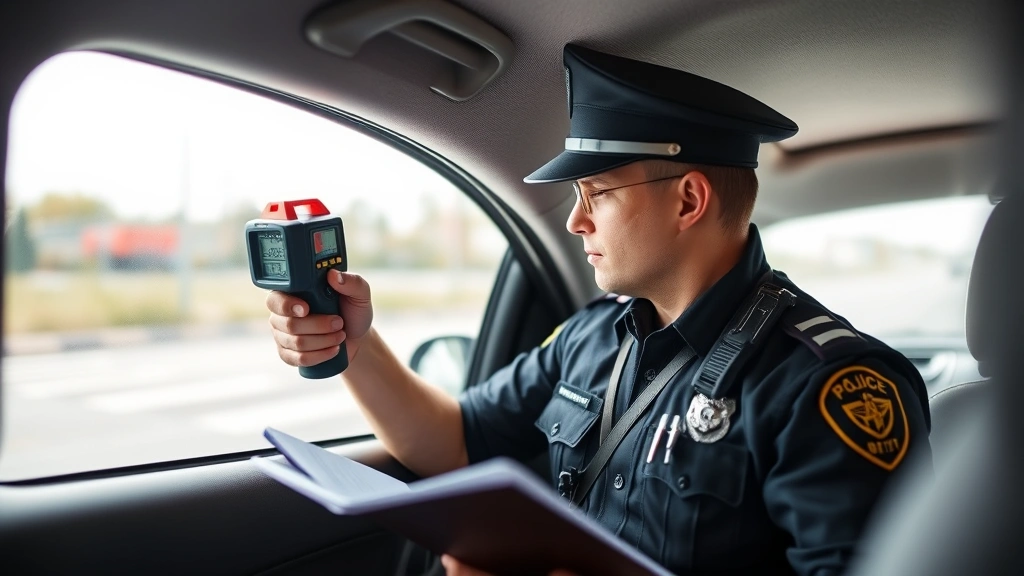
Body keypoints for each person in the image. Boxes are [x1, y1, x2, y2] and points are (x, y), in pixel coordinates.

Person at [265, 44, 932, 576]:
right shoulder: (591, 336)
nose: (577, 222)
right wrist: (350, 343)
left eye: (598, 193)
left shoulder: (825, 386)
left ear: (688, 200)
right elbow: (457, 443)